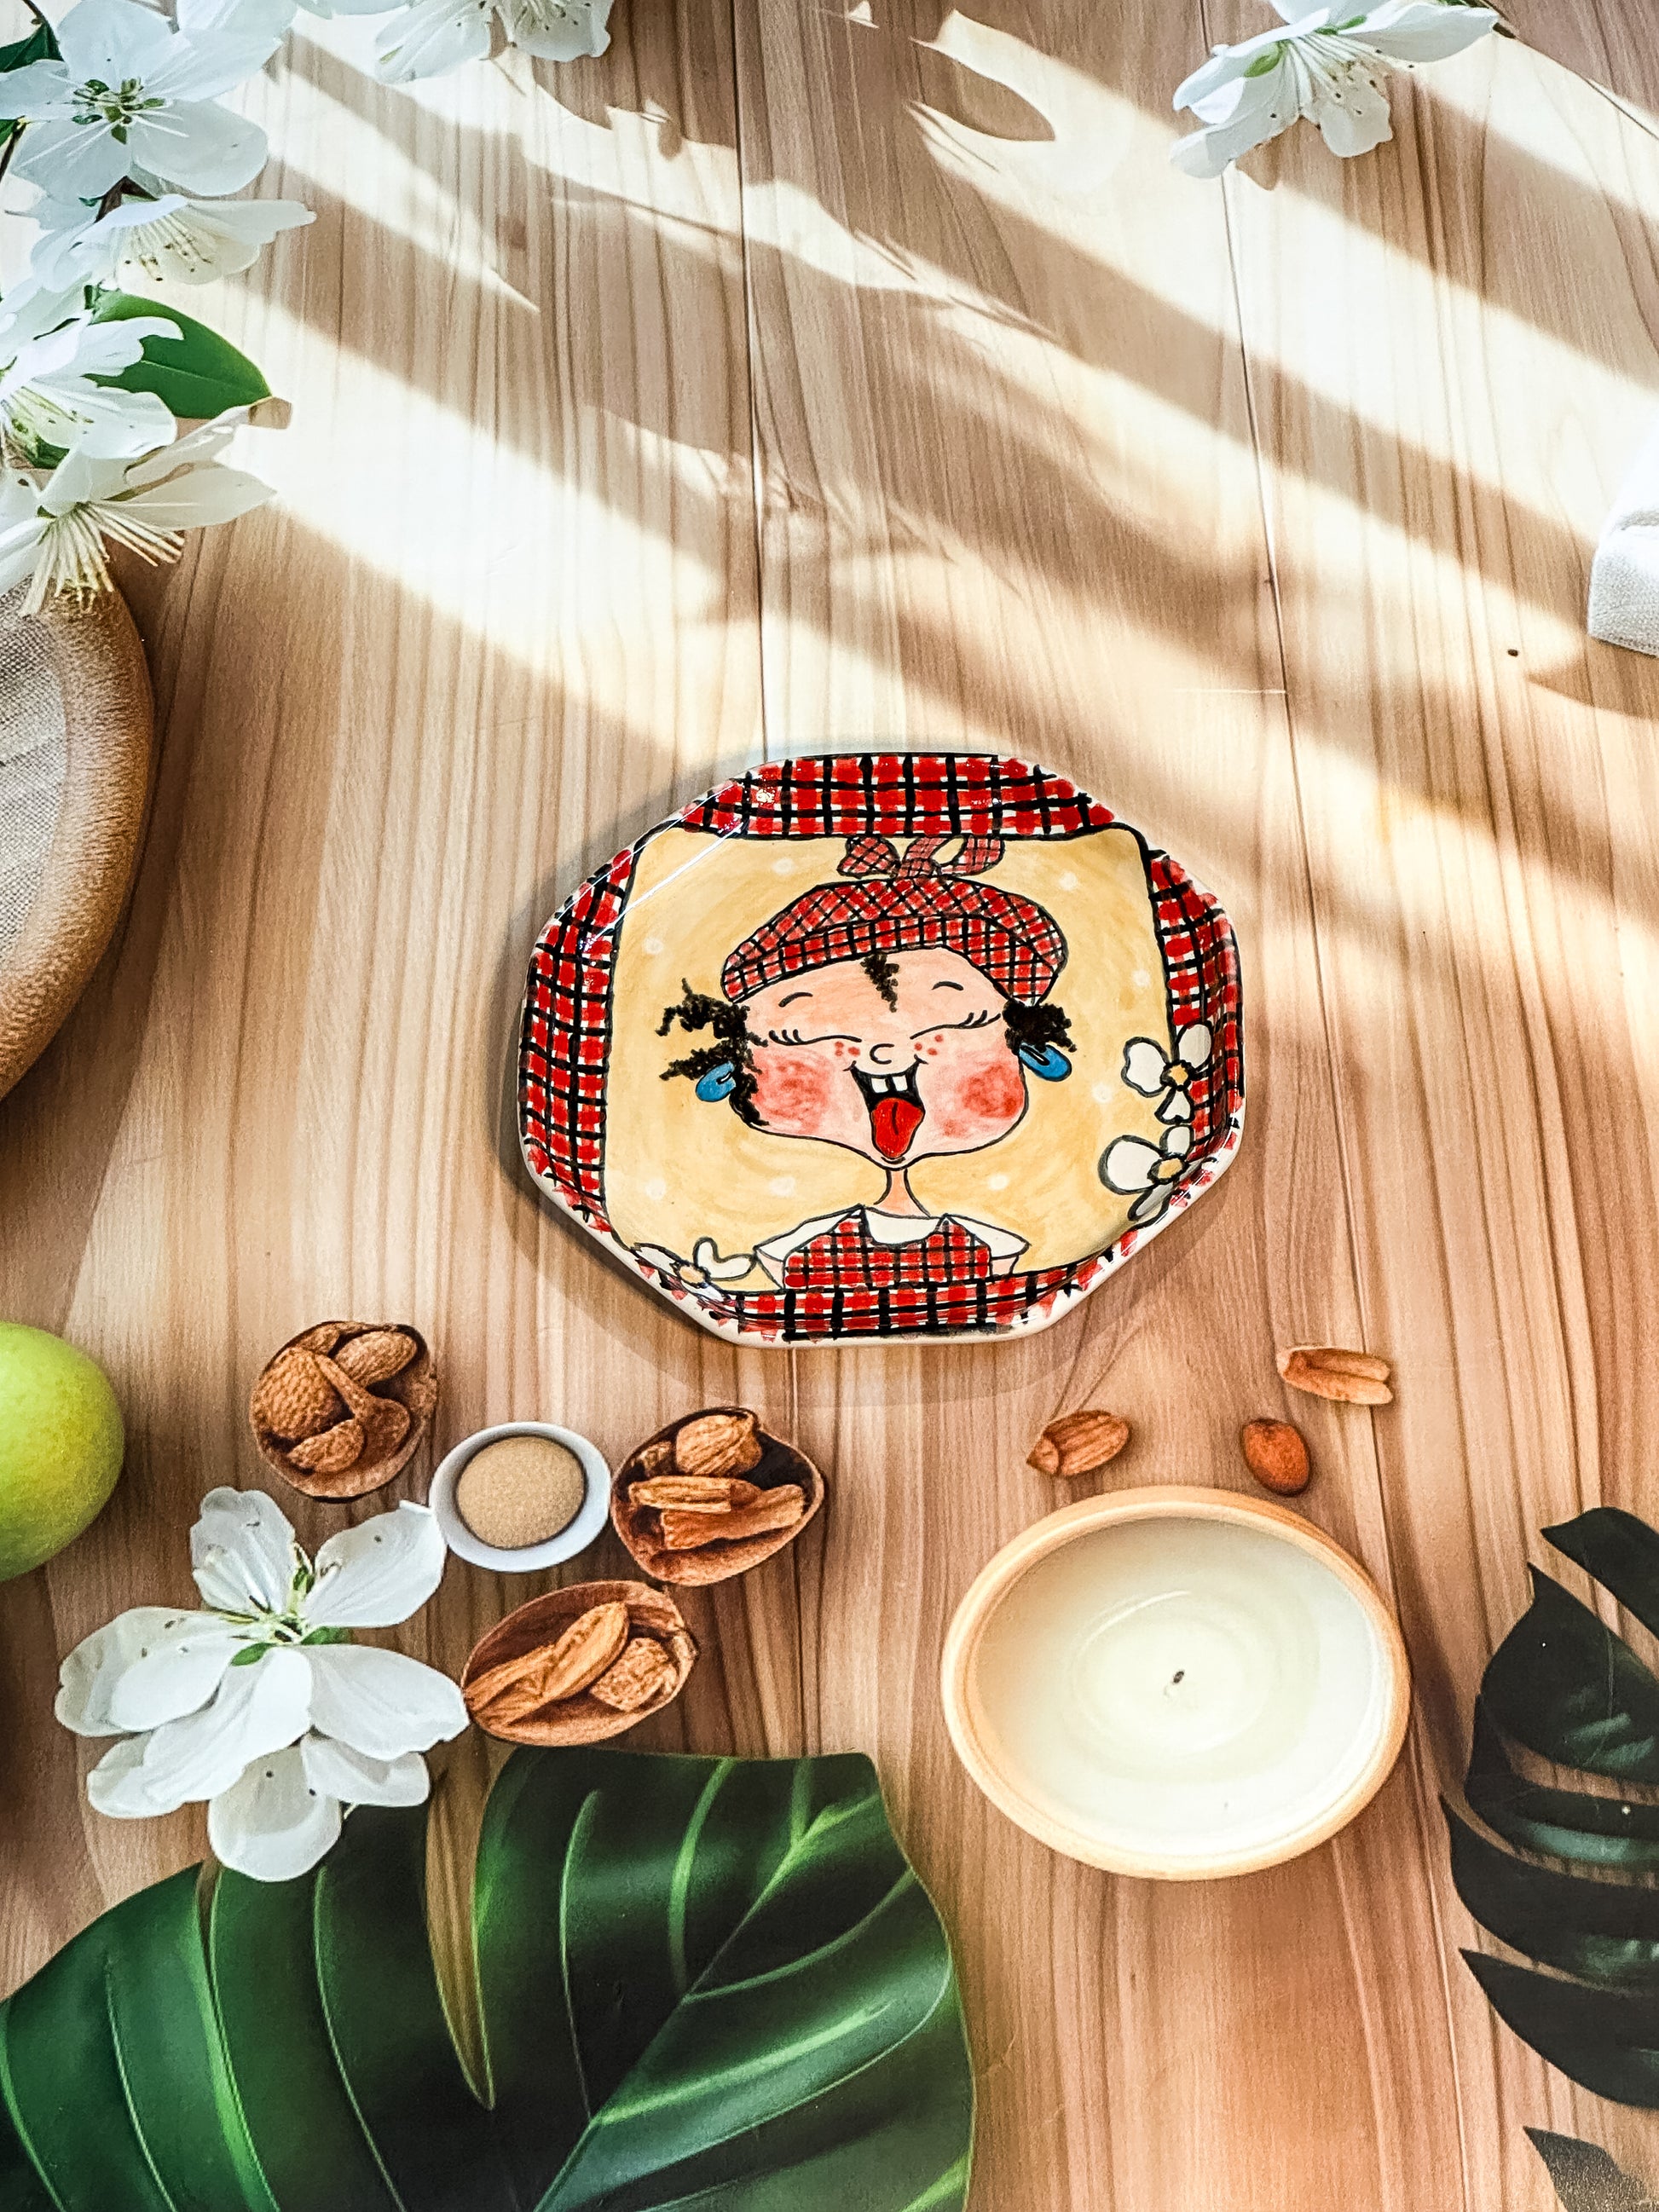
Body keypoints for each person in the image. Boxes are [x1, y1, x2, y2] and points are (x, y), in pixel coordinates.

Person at [653, 832, 1074, 1292]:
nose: (884, 1053)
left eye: (958, 1020)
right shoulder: (790, 1249)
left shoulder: (996, 1247)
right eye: (803, 1035)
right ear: (738, 1064)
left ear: (1026, 1047)